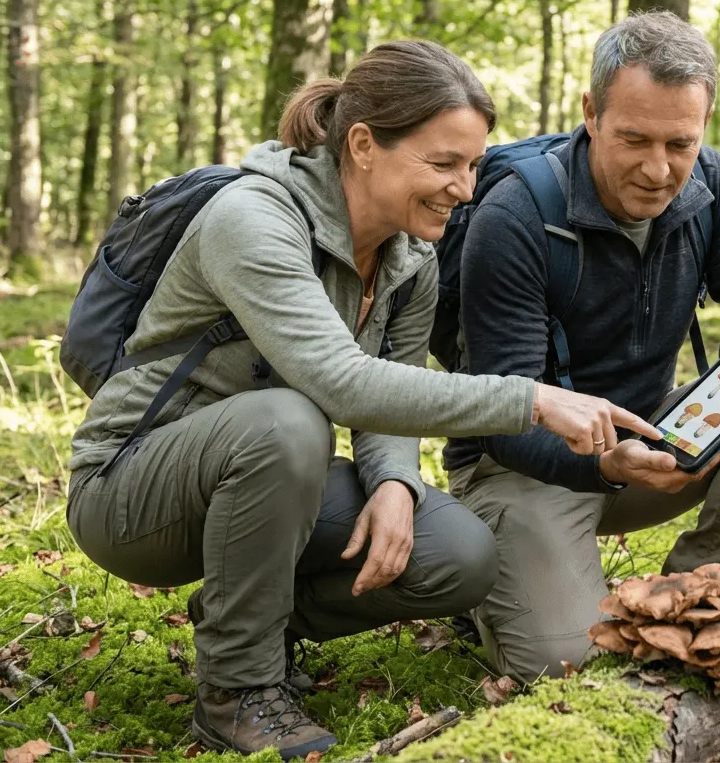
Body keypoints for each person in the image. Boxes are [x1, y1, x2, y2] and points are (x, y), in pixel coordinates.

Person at [65, 41, 660, 760]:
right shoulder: (253, 219)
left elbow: (393, 388)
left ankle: (247, 620)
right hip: (129, 493)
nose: (465, 188)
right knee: (286, 421)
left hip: (267, 490)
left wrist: (395, 484)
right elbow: (343, 382)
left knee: (461, 552)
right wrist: (530, 400)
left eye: (473, 164)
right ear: (362, 145)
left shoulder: (411, 258)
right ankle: (236, 691)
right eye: (443, 164)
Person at [445, 11, 720, 684]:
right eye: (634, 139)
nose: (660, 170)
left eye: (680, 143)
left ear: (704, 126)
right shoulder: (514, 216)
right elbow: (500, 419)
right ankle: (494, 587)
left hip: (655, 445)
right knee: (565, 666)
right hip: (523, 470)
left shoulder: (708, 184)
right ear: (591, 113)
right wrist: (609, 466)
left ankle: (690, 602)